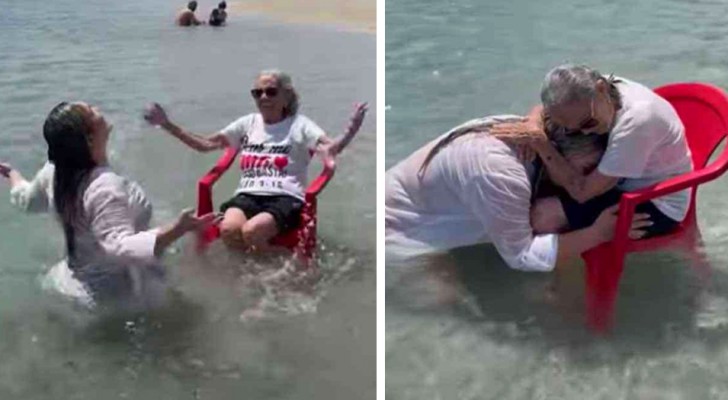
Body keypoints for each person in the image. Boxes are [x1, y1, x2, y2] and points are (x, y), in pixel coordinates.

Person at [385, 115, 650, 271]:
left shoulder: (534, 133)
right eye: (588, 169)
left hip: (438, 200)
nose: (593, 180)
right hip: (402, 229)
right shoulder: (501, 173)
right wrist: (598, 234)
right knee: (446, 302)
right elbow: (521, 256)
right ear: (553, 155)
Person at [144, 69, 368, 251]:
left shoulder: (300, 125)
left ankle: (279, 269)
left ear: (287, 96)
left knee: (252, 231)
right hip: (248, 195)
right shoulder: (248, 123)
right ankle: (248, 276)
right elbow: (205, 145)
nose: (263, 97)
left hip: (285, 197)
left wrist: (350, 130)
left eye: (270, 92)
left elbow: (330, 149)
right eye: (257, 92)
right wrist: (166, 124)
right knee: (229, 230)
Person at [36, 102, 217, 309]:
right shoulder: (105, 186)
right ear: (89, 138)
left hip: (68, 281)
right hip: (115, 295)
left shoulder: (54, 172)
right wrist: (179, 229)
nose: (97, 108)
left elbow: (26, 199)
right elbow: (120, 248)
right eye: (90, 111)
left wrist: (13, 177)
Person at [489, 64, 693, 238]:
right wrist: (533, 124)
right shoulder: (593, 94)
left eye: (588, 122)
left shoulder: (637, 122)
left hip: (656, 202)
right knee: (527, 193)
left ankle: (566, 275)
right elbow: (545, 108)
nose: (584, 133)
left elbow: (581, 193)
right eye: (571, 128)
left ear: (601, 88)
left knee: (541, 217)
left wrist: (542, 144)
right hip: (619, 180)